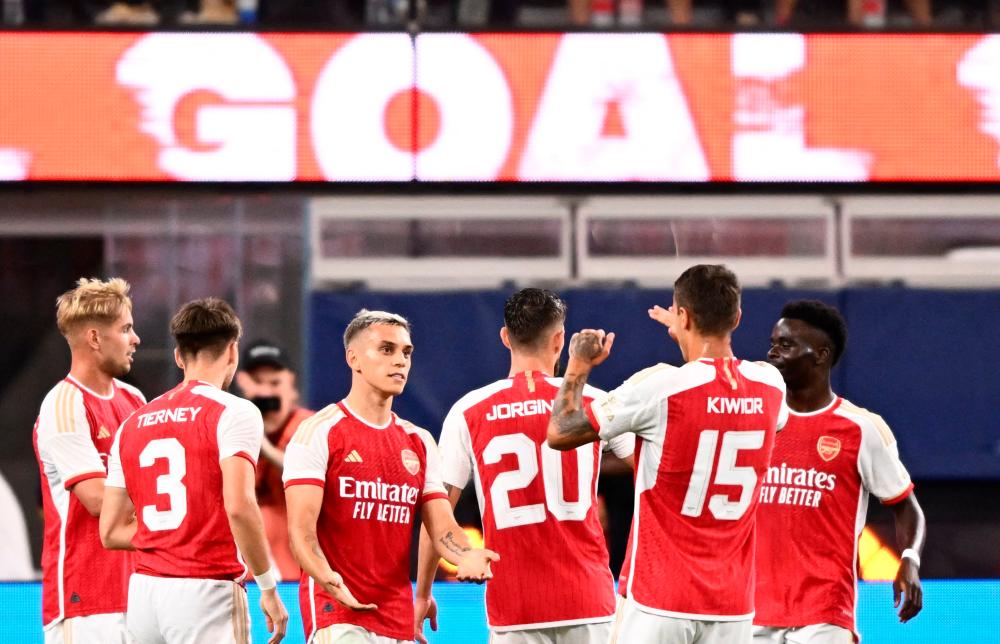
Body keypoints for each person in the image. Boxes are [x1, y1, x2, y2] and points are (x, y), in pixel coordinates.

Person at [547, 264, 788, 644]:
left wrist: (578, 364)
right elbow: (730, 404)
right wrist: (690, 334)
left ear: (684, 316)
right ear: (738, 318)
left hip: (659, 600)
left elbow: (560, 432)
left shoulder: (660, 387)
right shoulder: (770, 386)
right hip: (732, 607)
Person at [414, 288, 635, 644]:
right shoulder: (595, 401)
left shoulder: (469, 410)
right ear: (561, 339)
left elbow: (437, 512)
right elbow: (655, 474)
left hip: (514, 604)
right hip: (588, 598)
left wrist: (423, 592)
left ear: (505, 337)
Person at [284, 309, 499, 644]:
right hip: (339, 616)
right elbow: (301, 532)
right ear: (353, 358)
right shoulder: (319, 432)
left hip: (397, 619)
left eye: (406, 352)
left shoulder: (419, 441)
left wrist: (465, 555)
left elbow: (441, 528)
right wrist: (329, 580)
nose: (400, 360)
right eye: (387, 349)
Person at [99, 298, 289, 644]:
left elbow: (110, 531)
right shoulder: (235, 412)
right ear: (232, 352)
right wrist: (267, 586)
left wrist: (168, 537)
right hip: (205, 589)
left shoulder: (132, 423)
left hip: (144, 595)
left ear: (178, 356)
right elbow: (240, 506)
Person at [753, 300, 925, 644]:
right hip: (750, 609)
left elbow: (907, 507)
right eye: (773, 343)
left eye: (785, 345)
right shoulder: (753, 418)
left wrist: (909, 559)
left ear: (820, 354)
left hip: (825, 614)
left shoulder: (860, 429)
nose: (773, 352)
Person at [33, 277, 145, 643]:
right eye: (126, 328)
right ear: (95, 338)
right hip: (86, 602)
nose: (135, 339)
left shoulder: (135, 399)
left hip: (141, 594)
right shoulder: (63, 405)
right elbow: (98, 500)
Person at [235, 339, 314, 581]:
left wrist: (265, 448)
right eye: (258, 383)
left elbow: (313, 473)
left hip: (298, 576)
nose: (266, 392)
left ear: (292, 388)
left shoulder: (310, 427)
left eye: (275, 383)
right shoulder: (233, 428)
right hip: (246, 578)